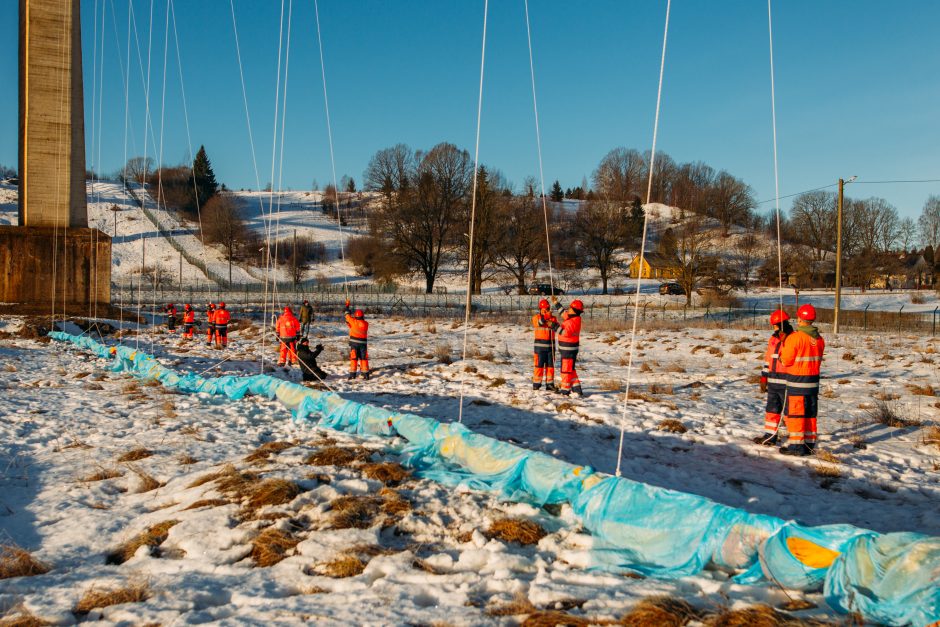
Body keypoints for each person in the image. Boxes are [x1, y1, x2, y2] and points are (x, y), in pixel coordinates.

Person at [778, 303, 825, 456]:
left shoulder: (795, 338)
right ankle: (809, 444)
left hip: (797, 382)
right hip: (813, 383)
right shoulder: (819, 339)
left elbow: (786, 360)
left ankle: (797, 446)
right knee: (810, 414)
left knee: (796, 415)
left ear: (799, 319)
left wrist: (782, 347)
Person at [754, 309, 793, 446]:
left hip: (787, 381)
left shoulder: (792, 338)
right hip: (773, 381)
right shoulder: (773, 339)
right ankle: (770, 436)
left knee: (789, 413)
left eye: (775, 325)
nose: (773, 327)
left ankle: (796, 439)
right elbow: (768, 360)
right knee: (772, 410)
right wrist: (764, 377)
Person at [551, 297, 584, 397]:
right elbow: (563, 313)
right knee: (571, 370)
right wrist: (556, 303)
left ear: (575, 310)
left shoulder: (573, 321)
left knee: (565, 370)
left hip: (568, 350)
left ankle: (565, 391)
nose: (568, 310)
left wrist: (554, 326)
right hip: (569, 349)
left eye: (570, 308)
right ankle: (577, 389)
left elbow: (565, 333)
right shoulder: (572, 318)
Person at [531, 299, 557, 391]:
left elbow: (556, 327)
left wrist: (552, 322)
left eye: (547, 309)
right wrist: (546, 316)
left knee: (551, 367)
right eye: (543, 309)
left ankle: (550, 384)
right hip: (540, 348)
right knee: (539, 366)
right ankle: (536, 384)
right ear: (540, 309)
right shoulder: (536, 317)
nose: (545, 310)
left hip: (551, 347)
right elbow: (539, 323)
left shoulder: (553, 318)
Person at [344, 300, 370, 380]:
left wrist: (347, 306)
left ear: (355, 316)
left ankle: (353, 374)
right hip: (363, 344)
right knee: (363, 358)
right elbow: (355, 326)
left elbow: (347, 315)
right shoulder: (366, 324)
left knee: (354, 358)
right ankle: (365, 374)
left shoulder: (353, 321)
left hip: (354, 344)